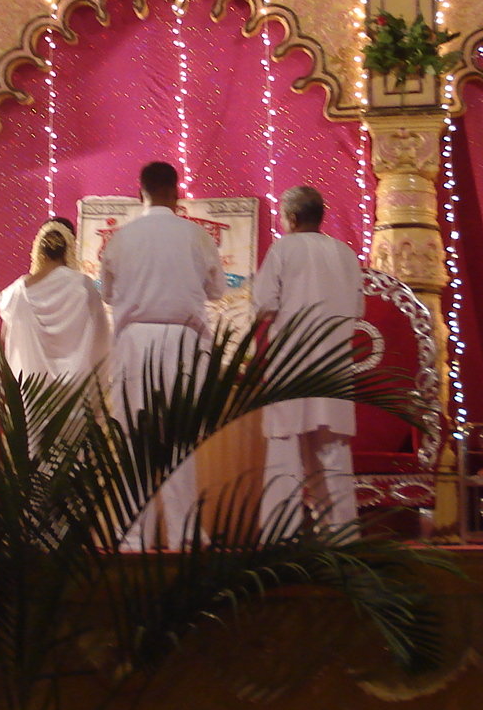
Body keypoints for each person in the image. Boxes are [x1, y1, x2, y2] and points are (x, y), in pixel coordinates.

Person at [99, 160, 226, 549]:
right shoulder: (197, 236)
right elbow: (217, 291)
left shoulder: (120, 239)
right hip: (184, 342)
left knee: (135, 439)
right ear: (176, 192)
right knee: (180, 439)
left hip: (135, 341)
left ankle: (133, 535)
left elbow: (108, 294)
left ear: (141, 192)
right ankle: (184, 532)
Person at [253, 185, 364, 532]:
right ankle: (342, 536)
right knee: (334, 454)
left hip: (292, 363)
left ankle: (278, 535)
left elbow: (264, 305)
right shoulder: (345, 253)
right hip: (334, 364)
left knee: (284, 451)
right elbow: (358, 308)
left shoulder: (283, 249)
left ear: (291, 218)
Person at [0, 216, 112, 387]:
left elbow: (4, 343)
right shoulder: (84, 287)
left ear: (38, 247)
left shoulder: (16, 292)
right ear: (71, 247)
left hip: (30, 393)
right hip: (75, 392)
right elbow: (101, 342)